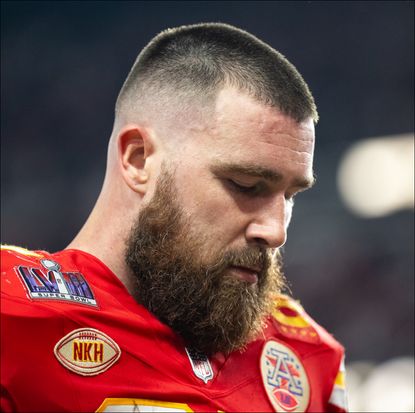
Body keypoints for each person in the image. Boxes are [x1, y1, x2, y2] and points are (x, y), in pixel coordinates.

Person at [1, 23, 347, 412]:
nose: (277, 231)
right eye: (246, 185)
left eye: (290, 196)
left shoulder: (306, 357)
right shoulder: (11, 321)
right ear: (138, 159)